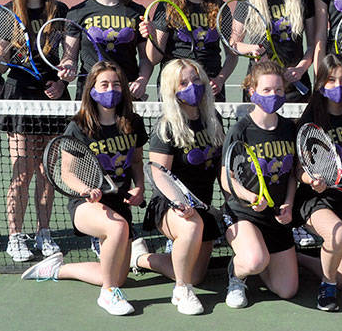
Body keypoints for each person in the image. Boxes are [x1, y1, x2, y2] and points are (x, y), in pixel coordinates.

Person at [20, 61, 146, 317]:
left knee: (116, 275)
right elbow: (66, 172)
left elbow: (135, 161)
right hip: (86, 205)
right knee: (117, 229)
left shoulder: (133, 122)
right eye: (104, 84)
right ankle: (108, 294)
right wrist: (86, 189)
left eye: (116, 84)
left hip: (120, 203)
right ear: (92, 89)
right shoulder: (79, 127)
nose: (111, 89)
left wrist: (140, 187)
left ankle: (57, 269)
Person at [0, 0, 69, 264]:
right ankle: (15, 236)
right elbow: (0, 66)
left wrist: (62, 80)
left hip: (52, 99)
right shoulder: (7, 12)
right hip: (19, 98)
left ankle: (44, 232)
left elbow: (68, 58)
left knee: (47, 173)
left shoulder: (60, 10)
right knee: (23, 172)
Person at [128, 58, 224, 316]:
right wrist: (179, 203)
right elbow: (159, 175)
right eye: (183, 83)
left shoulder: (214, 121)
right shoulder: (166, 127)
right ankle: (181, 290)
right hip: (170, 206)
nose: (191, 86)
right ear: (172, 89)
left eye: (195, 80)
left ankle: (139, 258)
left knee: (197, 275)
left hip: (202, 205)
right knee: (192, 230)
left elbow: (220, 168)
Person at [221, 60, 299, 308]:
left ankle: (261, 260)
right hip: (244, 215)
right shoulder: (241, 130)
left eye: (278, 90)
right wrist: (249, 196)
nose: (273, 95)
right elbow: (226, 178)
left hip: (275, 217)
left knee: (287, 290)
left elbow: (292, 175)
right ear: (251, 91)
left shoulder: (289, 128)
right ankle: (237, 274)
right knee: (255, 261)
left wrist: (288, 204)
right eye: (266, 90)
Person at [294, 54, 342, 311]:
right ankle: (326, 287)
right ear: (321, 83)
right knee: (338, 234)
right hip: (318, 198)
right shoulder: (311, 118)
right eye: (331, 80)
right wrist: (310, 179)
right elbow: (298, 169)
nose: (338, 86)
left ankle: (297, 258)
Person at [229, 0, 325, 99]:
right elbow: (234, 44)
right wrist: (252, 49)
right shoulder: (248, 0)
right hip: (259, 85)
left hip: (294, 87)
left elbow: (312, 45)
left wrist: (300, 69)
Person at [141, 0, 229, 99]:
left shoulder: (221, 8)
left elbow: (232, 54)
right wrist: (152, 36)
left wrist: (220, 79)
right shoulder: (166, 6)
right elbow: (154, 59)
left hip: (209, 84)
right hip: (175, 84)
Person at [65, 0, 148, 100]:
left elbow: (145, 58)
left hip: (126, 92)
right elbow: (69, 57)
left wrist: (141, 81)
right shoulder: (77, 12)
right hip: (90, 93)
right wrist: (68, 68)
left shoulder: (137, 12)